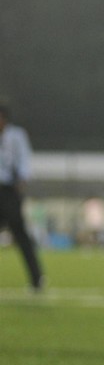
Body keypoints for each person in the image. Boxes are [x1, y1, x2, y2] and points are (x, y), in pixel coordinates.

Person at [0, 100, 44, 290]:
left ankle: (37, 279)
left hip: (9, 190)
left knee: (20, 233)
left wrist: (22, 180)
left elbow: (25, 158)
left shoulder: (16, 136)